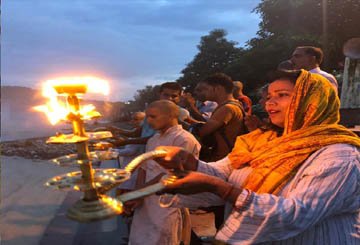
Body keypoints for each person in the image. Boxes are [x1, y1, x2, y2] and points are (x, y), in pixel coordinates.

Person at [154, 69, 360, 244]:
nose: (270, 102)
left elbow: (297, 214)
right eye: (269, 96)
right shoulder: (261, 141)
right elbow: (224, 172)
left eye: (282, 95)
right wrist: (190, 163)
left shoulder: (338, 155)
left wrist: (221, 189)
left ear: (311, 101)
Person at [128, 100, 201, 245]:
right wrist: (137, 192)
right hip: (146, 199)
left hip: (168, 199)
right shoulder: (153, 140)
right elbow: (144, 167)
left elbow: (173, 174)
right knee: (141, 237)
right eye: (147, 117)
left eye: (153, 117)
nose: (148, 121)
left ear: (171, 116)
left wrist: (140, 192)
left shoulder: (184, 139)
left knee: (164, 237)